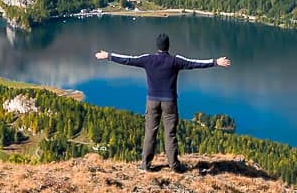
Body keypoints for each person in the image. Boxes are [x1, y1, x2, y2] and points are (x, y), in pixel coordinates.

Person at [93, 32, 231, 173]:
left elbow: (128, 59)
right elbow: (194, 63)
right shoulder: (175, 61)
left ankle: (145, 165)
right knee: (170, 134)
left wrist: (108, 55)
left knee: (150, 133)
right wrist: (215, 62)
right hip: (169, 102)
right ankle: (174, 166)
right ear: (168, 46)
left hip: (152, 101)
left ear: (157, 46)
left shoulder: (148, 59)